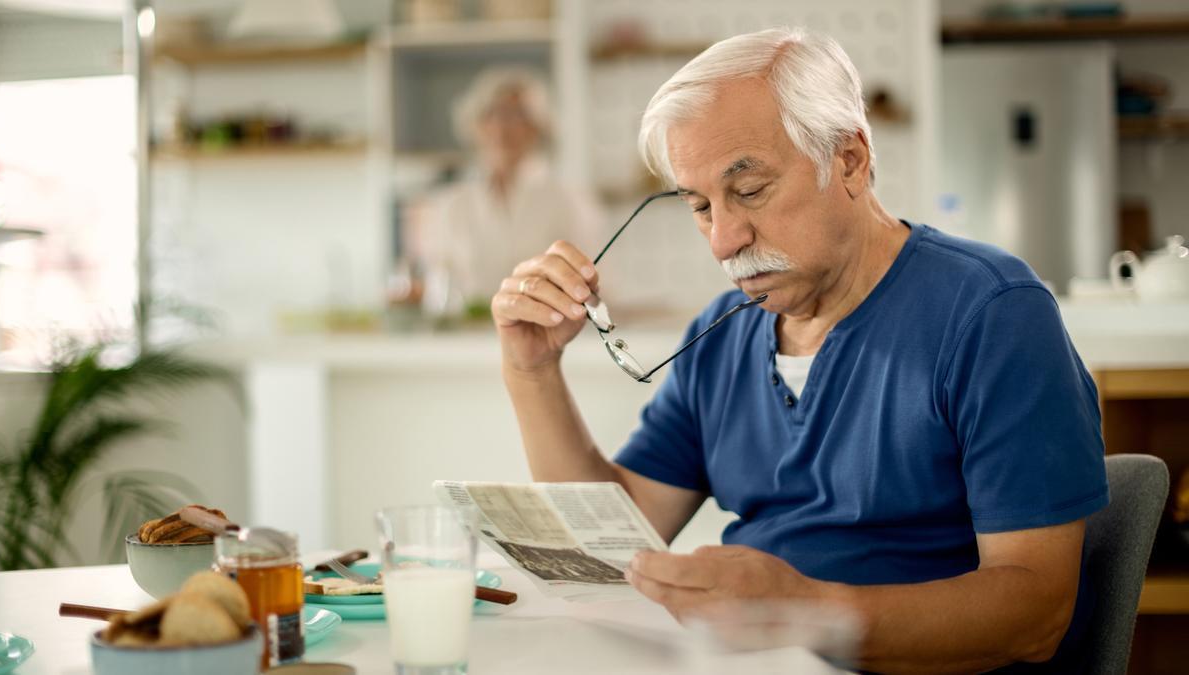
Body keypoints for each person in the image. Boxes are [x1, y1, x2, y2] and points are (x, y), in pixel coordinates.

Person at [489, 26, 1108, 673]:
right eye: (699, 206)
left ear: (850, 161)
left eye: (750, 190)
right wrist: (530, 369)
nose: (724, 239)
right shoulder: (722, 332)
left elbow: (1037, 612)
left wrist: (812, 611)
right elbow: (605, 549)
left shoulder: (991, 311)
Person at [416, 67, 601, 313]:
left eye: (518, 115)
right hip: (467, 342)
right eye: (494, 113)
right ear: (476, 124)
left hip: (547, 335)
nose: (504, 126)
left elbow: (597, 285)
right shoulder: (451, 204)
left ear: (539, 127)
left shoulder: (570, 201)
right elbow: (436, 285)